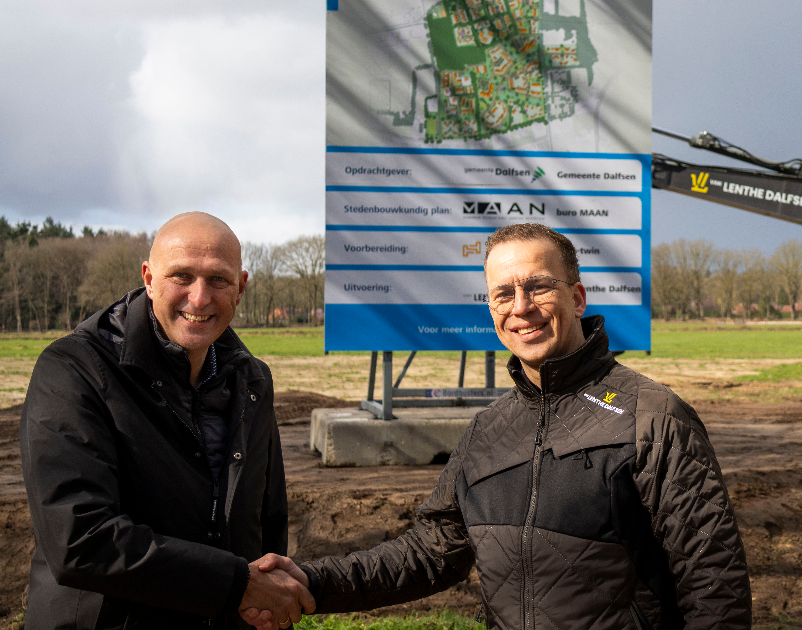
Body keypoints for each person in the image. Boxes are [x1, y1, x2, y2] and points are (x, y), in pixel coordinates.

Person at [250, 223, 752, 629]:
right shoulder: (488, 430)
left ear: (577, 298)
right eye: (502, 294)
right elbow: (429, 553)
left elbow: (714, 581)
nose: (521, 308)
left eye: (538, 286)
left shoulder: (653, 416)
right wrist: (309, 582)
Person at [20, 212, 313, 630]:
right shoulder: (72, 371)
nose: (199, 298)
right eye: (181, 276)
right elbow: (80, 540)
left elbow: (267, 521)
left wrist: (261, 602)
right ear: (148, 278)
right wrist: (236, 585)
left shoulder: (253, 379)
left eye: (218, 280)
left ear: (241, 287)